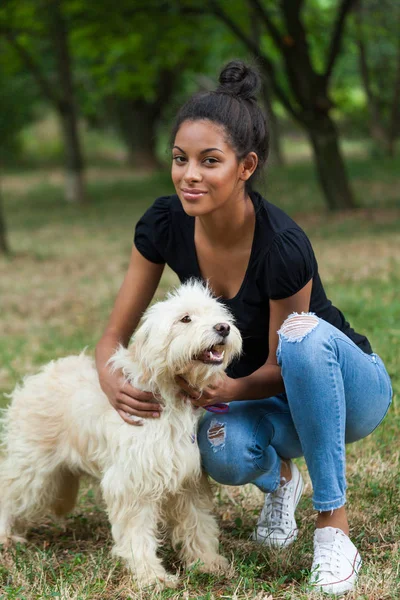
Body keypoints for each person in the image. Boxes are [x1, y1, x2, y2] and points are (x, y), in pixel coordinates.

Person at [95, 60, 392, 595]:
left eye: (210, 161)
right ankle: (281, 482)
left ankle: (333, 530)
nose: (190, 175)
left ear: (246, 166)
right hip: (260, 399)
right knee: (219, 451)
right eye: (180, 159)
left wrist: (227, 387)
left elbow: (287, 363)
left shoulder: (281, 244)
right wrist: (107, 374)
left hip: (346, 389)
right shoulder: (164, 224)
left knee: (302, 335)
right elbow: (113, 336)